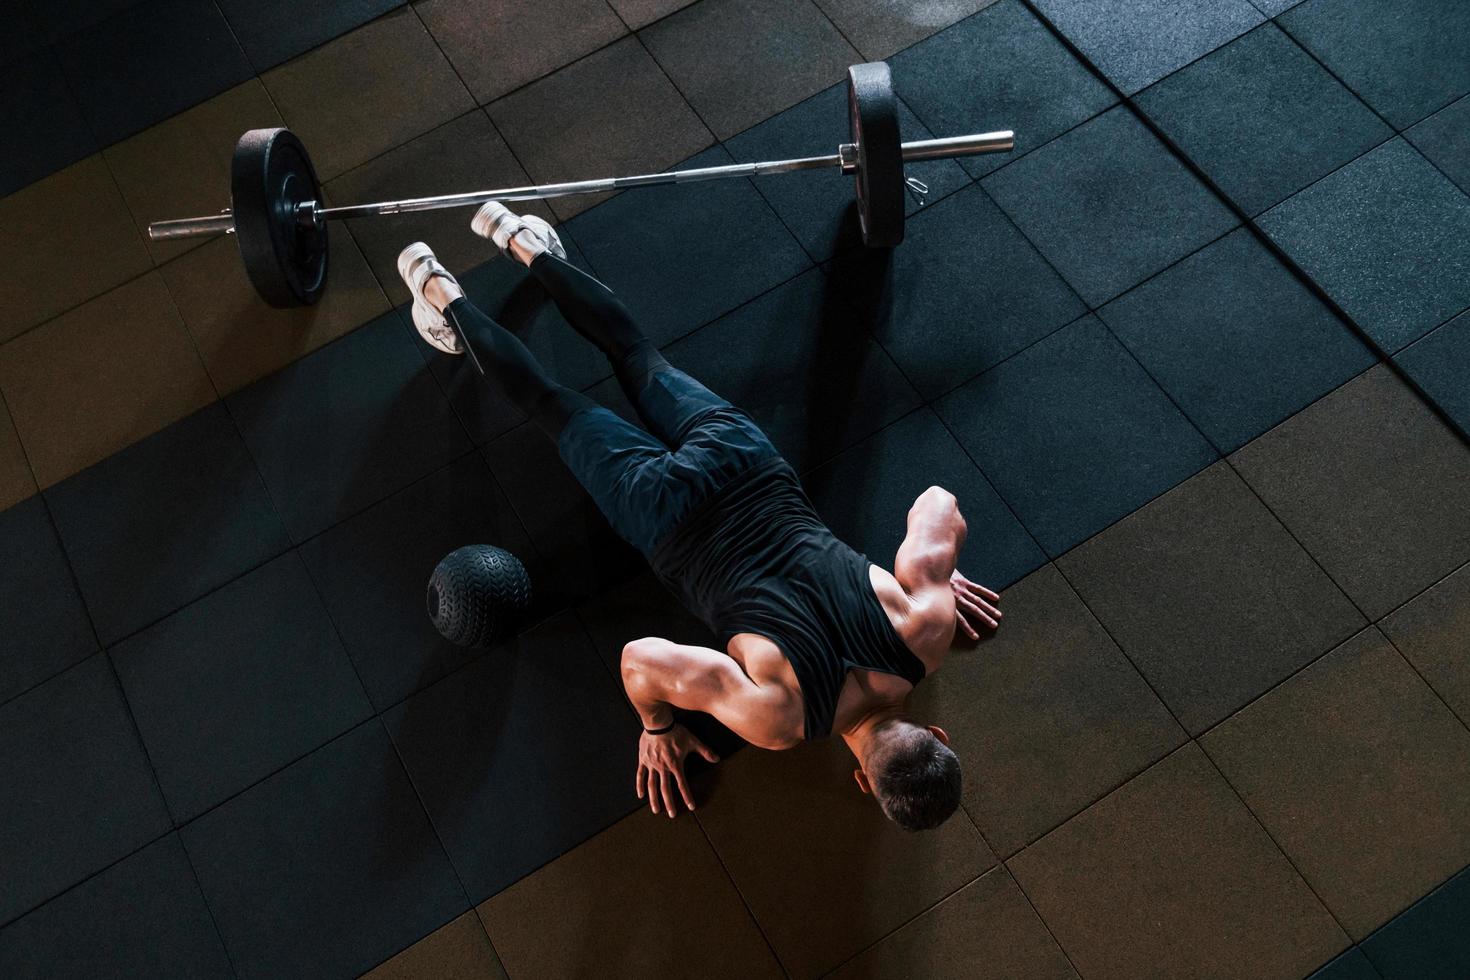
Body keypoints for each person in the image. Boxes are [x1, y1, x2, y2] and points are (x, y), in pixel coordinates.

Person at [397, 202, 1002, 832]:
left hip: (744, 465)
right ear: (861, 779)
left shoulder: (926, 631)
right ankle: (437, 288)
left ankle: (520, 239)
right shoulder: (779, 720)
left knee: (635, 352)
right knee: (551, 402)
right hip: (666, 517)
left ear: (939, 733)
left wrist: (936, 582)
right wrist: (657, 727)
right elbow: (639, 660)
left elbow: (938, 503)